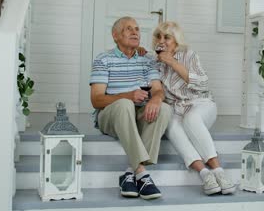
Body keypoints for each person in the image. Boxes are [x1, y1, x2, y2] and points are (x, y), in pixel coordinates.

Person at [90, 16, 171, 200]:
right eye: (128, 29)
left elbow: (158, 90)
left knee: (165, 109)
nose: (135, 32)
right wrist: (128, 96)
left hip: (138, 115)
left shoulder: (147, 60)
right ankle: (142, 173)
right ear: (115, 36)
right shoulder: (103, 60)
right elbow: (96, 100)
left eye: (137, 29)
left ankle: (129, 174)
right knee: (125, 104)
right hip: (111, 116)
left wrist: (156, 99)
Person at [152, 21, 236, 195]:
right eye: (158, 36)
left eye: (167, 37)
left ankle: (219, 171)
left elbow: (203, 84)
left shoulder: (189, 55)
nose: (162, 40)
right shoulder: (155, 63)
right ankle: (205, 174)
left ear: (176, 40)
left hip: (201, 103)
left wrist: (172, 63)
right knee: (171, 125)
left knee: (191, 118)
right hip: (176, 108)